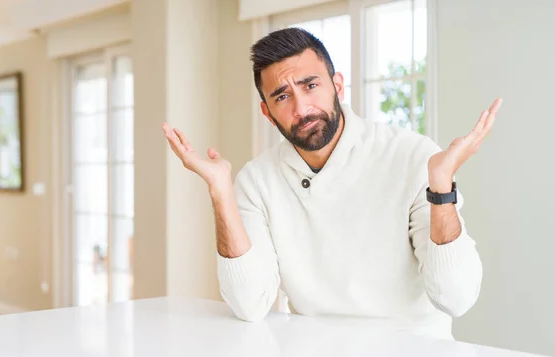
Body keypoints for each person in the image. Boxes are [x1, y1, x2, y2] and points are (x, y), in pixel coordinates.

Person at [162, 28, 502, 335]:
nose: (301, 107)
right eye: (282, 96)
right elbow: (250, 305)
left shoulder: (414, 157)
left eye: (311, 85)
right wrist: (221, 191)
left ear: (337, 85)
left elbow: (456, 298)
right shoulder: (256, 181)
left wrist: (441, 187)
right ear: (267, 112)